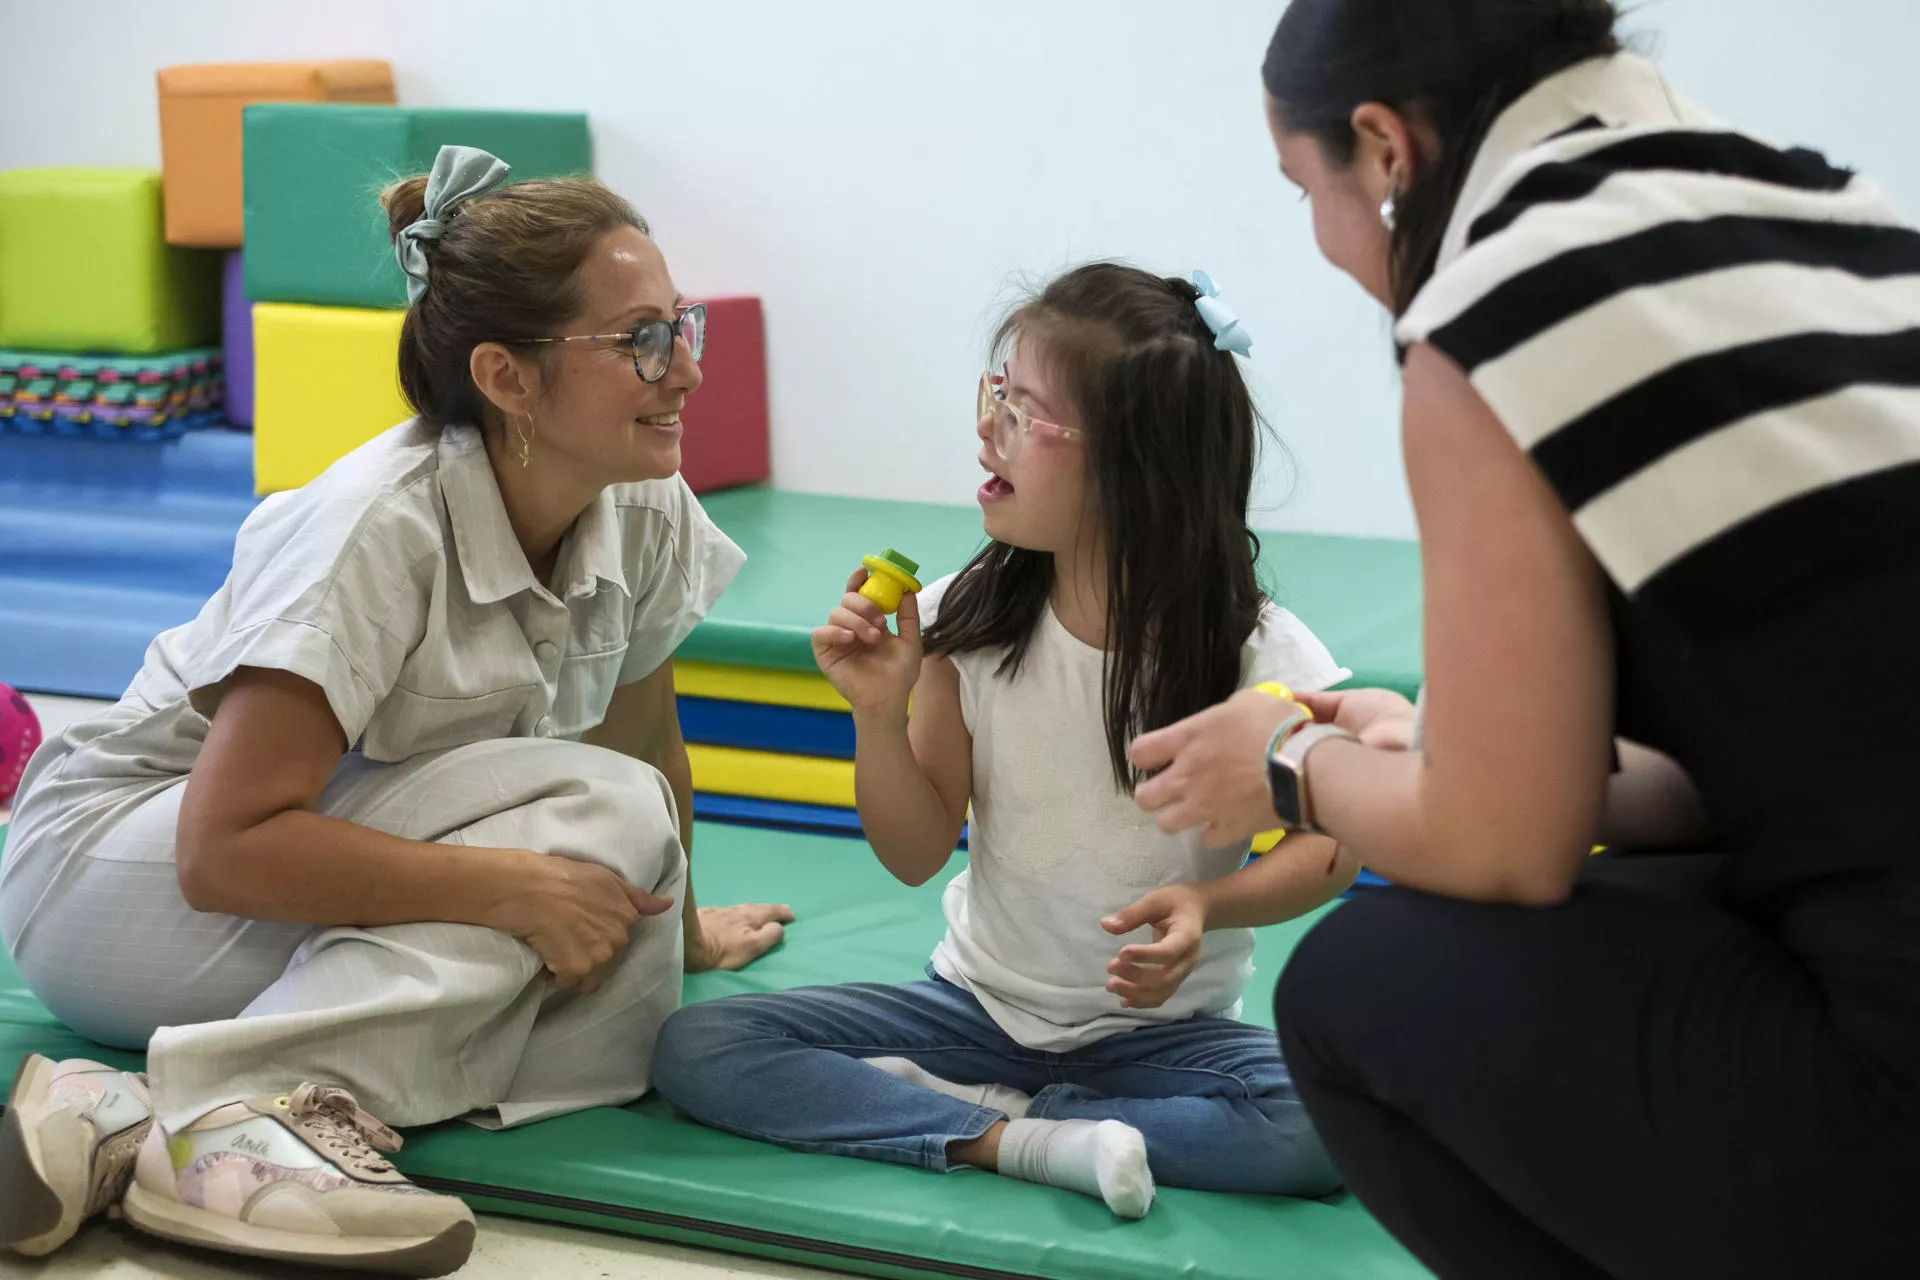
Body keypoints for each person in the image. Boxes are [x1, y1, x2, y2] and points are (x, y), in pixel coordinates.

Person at [1129, 2, 1920, 1276]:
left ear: (1385, 148)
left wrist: (1285, 763)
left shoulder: (1503, 305)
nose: (1326, 242)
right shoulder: (1838, 216)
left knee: (1352, 984)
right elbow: (1808, 746)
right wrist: (1441, 747)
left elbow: (1504, 847)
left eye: (1304, 192)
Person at [0, 145, 791, 1276]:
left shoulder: (642, 500)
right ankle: (205, 1110)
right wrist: (507, 885)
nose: (686, 372)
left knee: (628, 987)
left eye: (683, 326)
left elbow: (645, 741)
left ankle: (125, 1115)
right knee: (581, 827)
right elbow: (220, 848)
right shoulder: (376, 526)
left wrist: (685, 928)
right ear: (507, 378)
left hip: (315, 861)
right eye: (641, 342)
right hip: (113, 875)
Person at [650, 263, 1357, 1219]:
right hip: (973, 1012)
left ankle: (991, 1115)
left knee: (1323, 1127)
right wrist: (876, 715)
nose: (987, 428)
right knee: (697, 1049)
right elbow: (911, 854)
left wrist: (1209, 902)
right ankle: (1015, 1138)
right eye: (995, 394)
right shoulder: (964, 620)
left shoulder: (1260, 653)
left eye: (1022, 413)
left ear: (1133, 463)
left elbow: (1332, 847)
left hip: (1166, 1038)